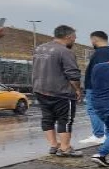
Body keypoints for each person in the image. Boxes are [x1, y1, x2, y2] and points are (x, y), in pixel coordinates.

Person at [31, 25, 83, 157]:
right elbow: (73, 74)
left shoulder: (39, 48)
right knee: (65, 120)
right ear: (68, 37)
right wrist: (77, 90)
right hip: (61, 92)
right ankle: (65, 148)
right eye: (74, 38)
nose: (74, 40)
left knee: (47, 118)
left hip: (40, 89)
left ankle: (54, 145)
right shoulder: (65, 52)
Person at [80, 30, 109, 144]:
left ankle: (99, 135)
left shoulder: (101, 53)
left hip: (96, 88)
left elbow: (102, 71)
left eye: (91, 40)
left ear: (95, 39)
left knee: (94, 110)